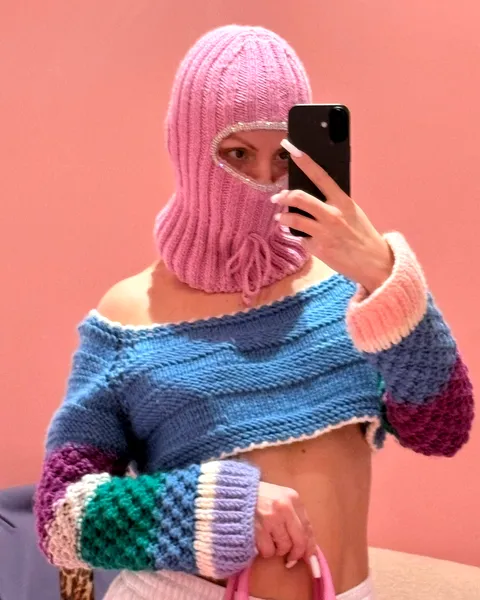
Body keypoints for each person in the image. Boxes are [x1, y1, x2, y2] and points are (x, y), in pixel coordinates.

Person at [33, 25, 474, 600]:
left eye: (283, 158)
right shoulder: (129, 318)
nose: (265, 182)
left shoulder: (352, 290)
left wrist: (384, 274)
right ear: (188, 150)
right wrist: (211, 507)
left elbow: (443, 427)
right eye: (237, 153)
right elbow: (61, 518)